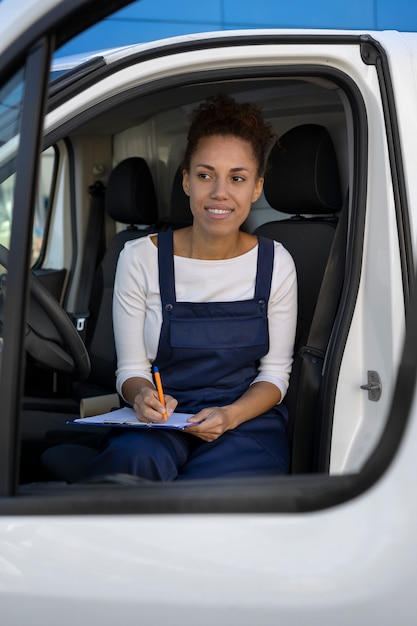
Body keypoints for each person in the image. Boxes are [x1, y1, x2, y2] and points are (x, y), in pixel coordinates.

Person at [88, 94, 297, 481]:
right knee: (130, 465)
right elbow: (131, 370)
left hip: (244, 423)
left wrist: (230, 415)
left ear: (256, 188)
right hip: (163, 421)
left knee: (215, 496)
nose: (220, 192)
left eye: (237, 178)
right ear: (186, 180)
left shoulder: (275, 263)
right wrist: (142, 397)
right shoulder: (139, 258)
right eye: (205, 175)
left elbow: (275, 376)